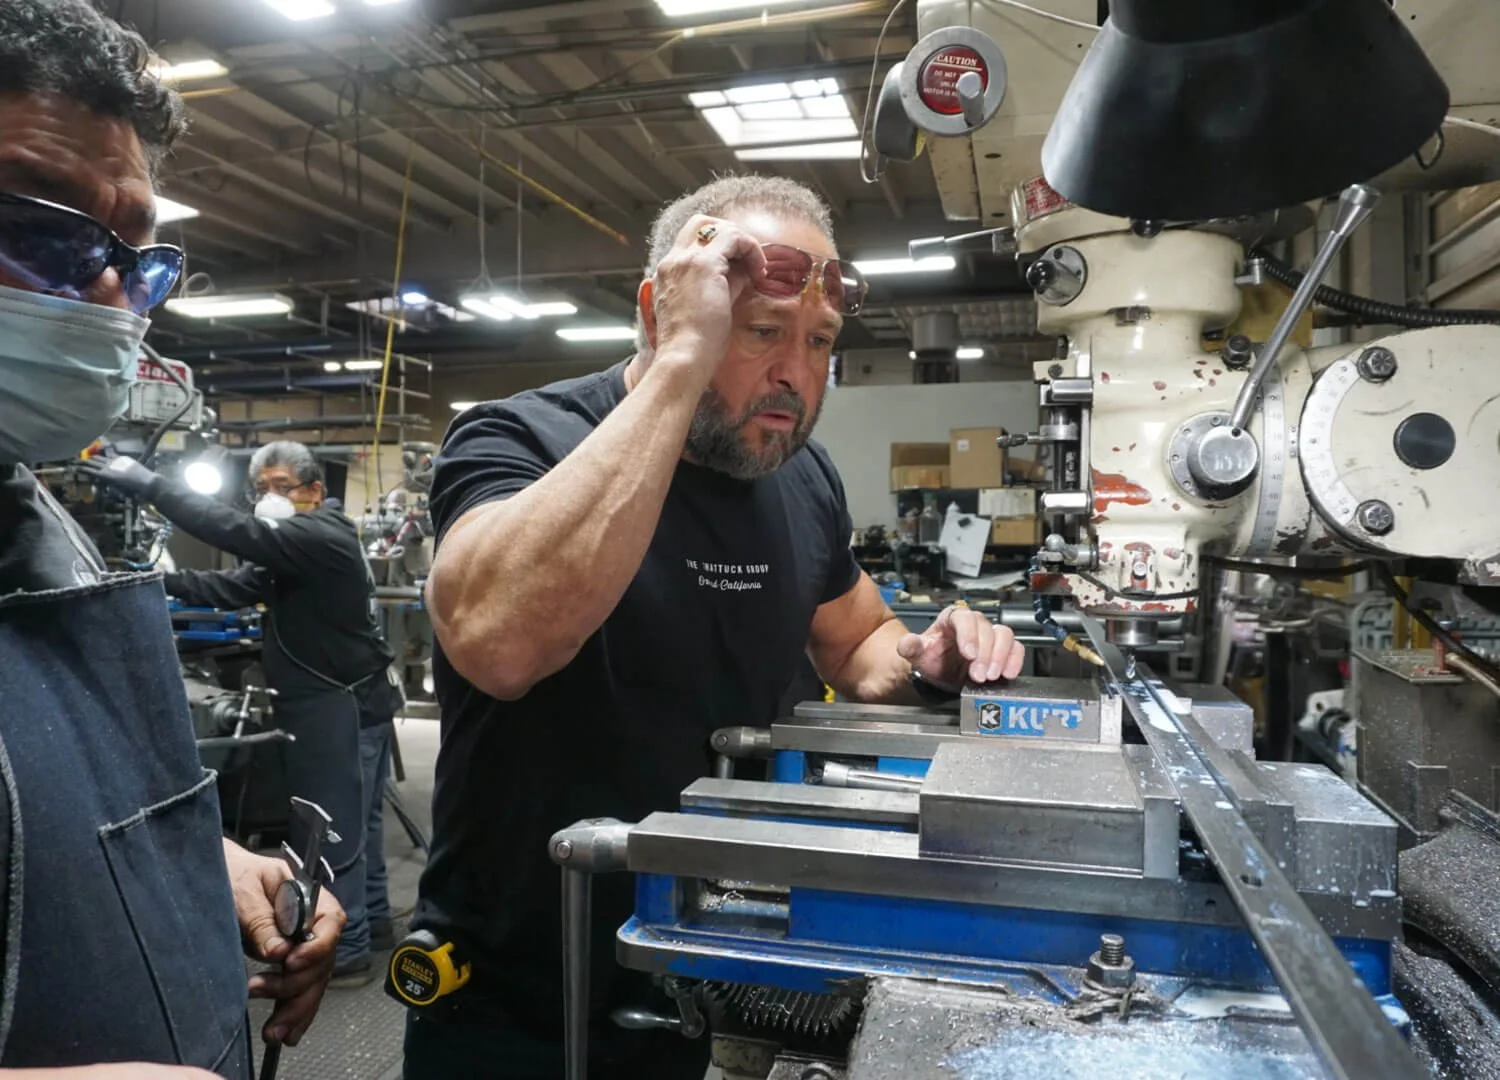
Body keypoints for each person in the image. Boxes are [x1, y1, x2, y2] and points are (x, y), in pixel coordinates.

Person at [404, 175, 1027, 1079]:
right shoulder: (522, 438)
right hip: (521, 982)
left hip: (702, 958)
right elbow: (498, 644)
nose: (797, 375)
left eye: (819, 343)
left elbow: (854, 643)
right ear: (663, 314)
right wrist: (683, 362)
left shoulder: (800, 478)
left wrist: (928, 657)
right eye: (763, 333)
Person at [0, 1, 343, 1075]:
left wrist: (196, 860)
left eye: (134, 258)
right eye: (44, 231)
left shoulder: (35, 521)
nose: (108, 297)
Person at [89, 441, 402, 987]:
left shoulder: (321, 534)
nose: (269, 499)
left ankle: (345, 952)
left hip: (340, 703)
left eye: (282, 487)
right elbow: (236, 586)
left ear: (314, 492)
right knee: (360, 824)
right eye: (260, 489)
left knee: (332, 829)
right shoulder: (297, 551)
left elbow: (238, 534)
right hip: (351, 699)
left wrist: (151, 485)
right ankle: (370, 925)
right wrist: (157, 580)